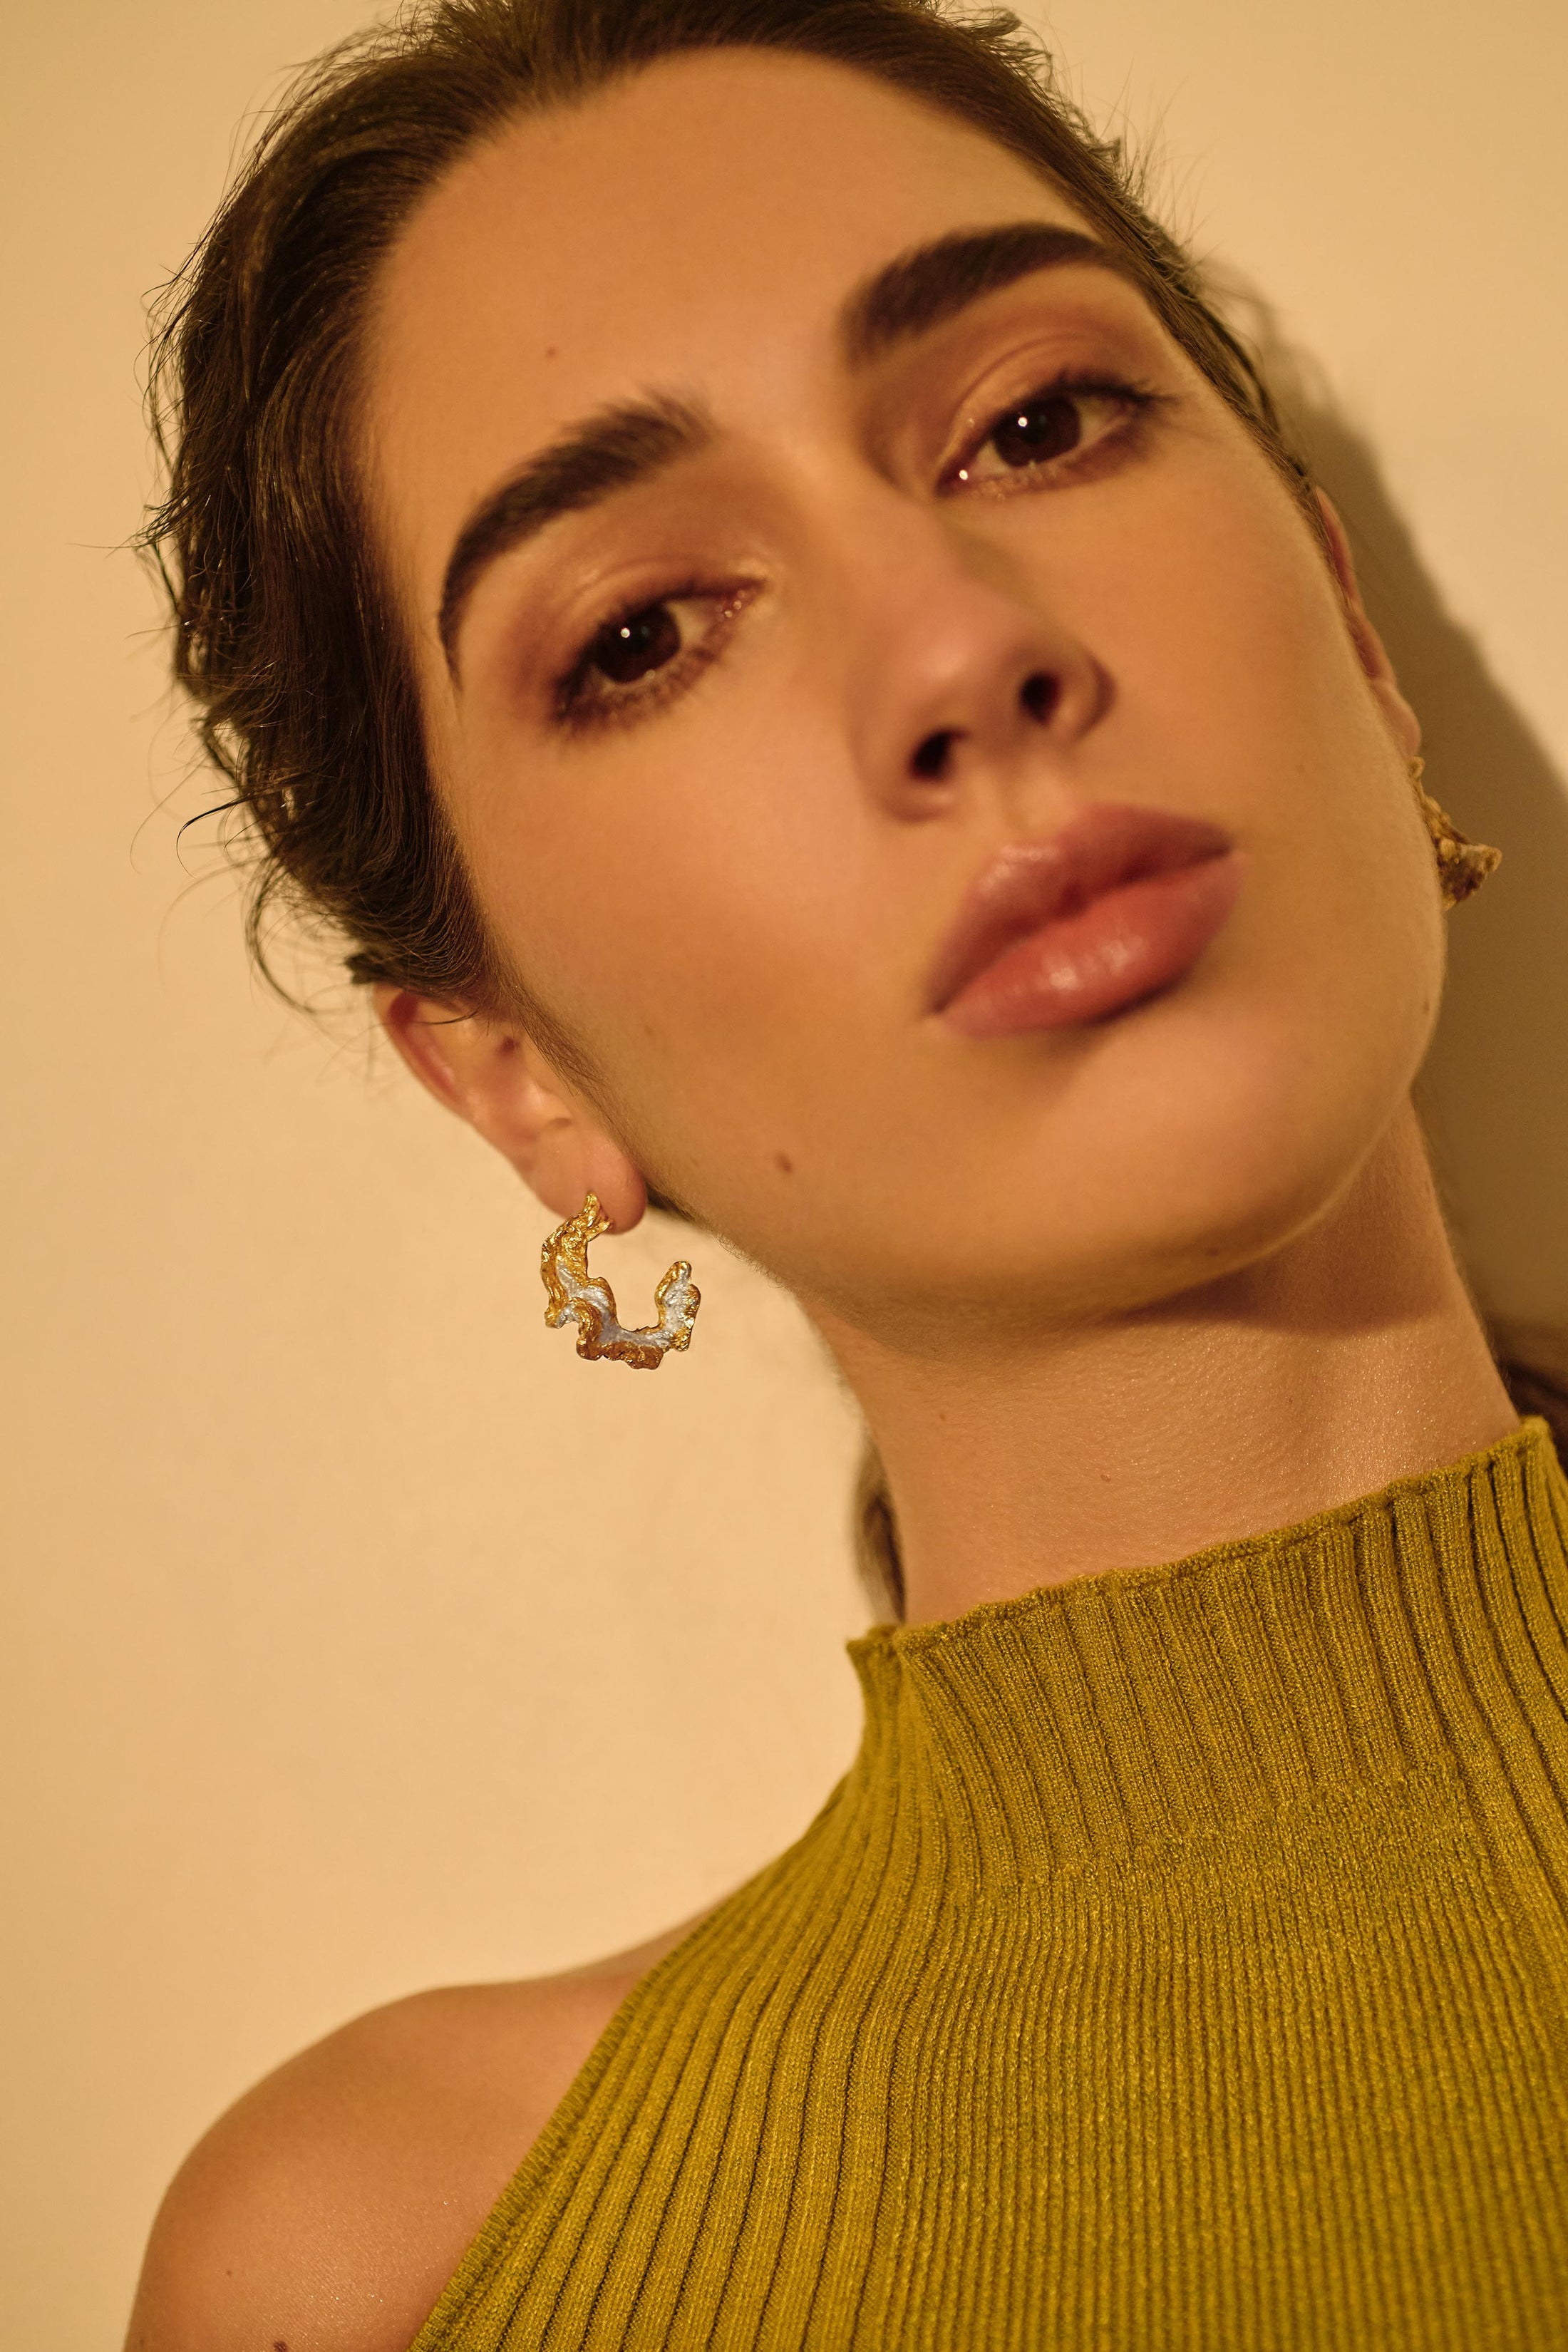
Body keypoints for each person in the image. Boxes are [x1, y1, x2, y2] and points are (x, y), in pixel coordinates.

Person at [126, 2, 1568, 2345]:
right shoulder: (396, 2261)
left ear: (1362, 640)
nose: (962, 648)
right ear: (511, 1078)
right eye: (641, 635)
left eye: (1034, 423)